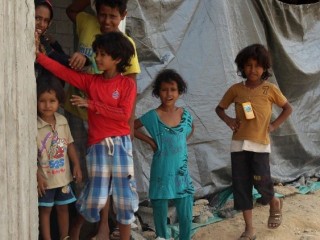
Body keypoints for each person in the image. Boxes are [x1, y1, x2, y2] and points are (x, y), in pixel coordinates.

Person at [35, 31, 139, 240]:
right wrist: (39, 56)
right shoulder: (92, 82)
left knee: (124, 197)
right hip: (98, 146)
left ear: (117, 59)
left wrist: (92, 105)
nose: (97, 58)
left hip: (121, 145)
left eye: (102, 54)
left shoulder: (127, 85)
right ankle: (75, 229)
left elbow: (123, 115)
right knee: (96, 197)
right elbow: (64, 72)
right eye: (97, 53)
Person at [215, 44, 293, 240]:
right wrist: (229, 121)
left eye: (258, 66)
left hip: (260, 145)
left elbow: (287, 108)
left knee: (262, 182)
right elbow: (220, 108)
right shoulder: (235, 89)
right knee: (241, 186)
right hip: (238, 145)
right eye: (248, 65)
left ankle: (273, 201)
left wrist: (273, 125)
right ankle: (249, 229)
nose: (253, 70)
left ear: (265, 68)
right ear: (242, 67)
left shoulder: (270, 89)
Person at [134, 69, 195, 240]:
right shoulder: (153, 116)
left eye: (173, 89)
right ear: (157, 92)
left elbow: (191, 128)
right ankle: (162, 237)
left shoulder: (185, 114)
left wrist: (181, 141)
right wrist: (151, 141)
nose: (169, 94)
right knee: (160, 206)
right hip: (161, 170)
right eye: (164, 89)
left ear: (179, 91)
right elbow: (130, 127)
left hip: (181, 172)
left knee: (185, 209)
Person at [36, 75, 82, 240]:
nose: (47, 105)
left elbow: (69, 144)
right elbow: (30, 156)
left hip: (63, 178)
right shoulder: (34, 125)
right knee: (45, 210)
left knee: (63, 208)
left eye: (52, 101)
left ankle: (65, 237)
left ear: (59, 102)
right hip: (45, 181)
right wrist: (37, 175)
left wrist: (76, 165)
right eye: (42, 100)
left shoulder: (62, 121)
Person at [34, 0, 89, 81]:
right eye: (37, 18)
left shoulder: (44, 43)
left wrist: (84, 59)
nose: (42, 24)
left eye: (46, 21)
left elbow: (60, 59)